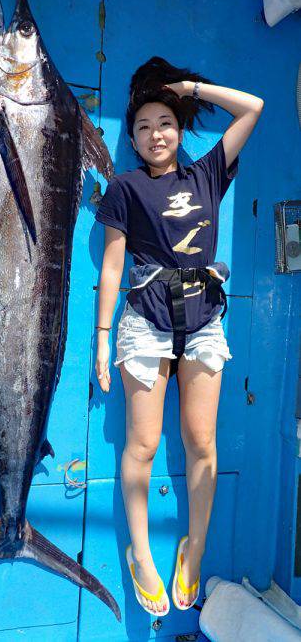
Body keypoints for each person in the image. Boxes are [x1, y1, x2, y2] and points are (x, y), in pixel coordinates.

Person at [94, 57, 264, 616]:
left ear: (180, 126)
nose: (153, 135)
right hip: (144, 321)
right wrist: (101, 339)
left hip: (204, 321)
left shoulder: (209, 171)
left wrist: (191, 88)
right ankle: (141, 553)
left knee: (201, 443)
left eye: (163, 122)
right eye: (141, 128)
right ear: (134, 141)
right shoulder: (125, 187)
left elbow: (253, 108)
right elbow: (114, 268)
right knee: (140, 446)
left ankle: (194, 549)